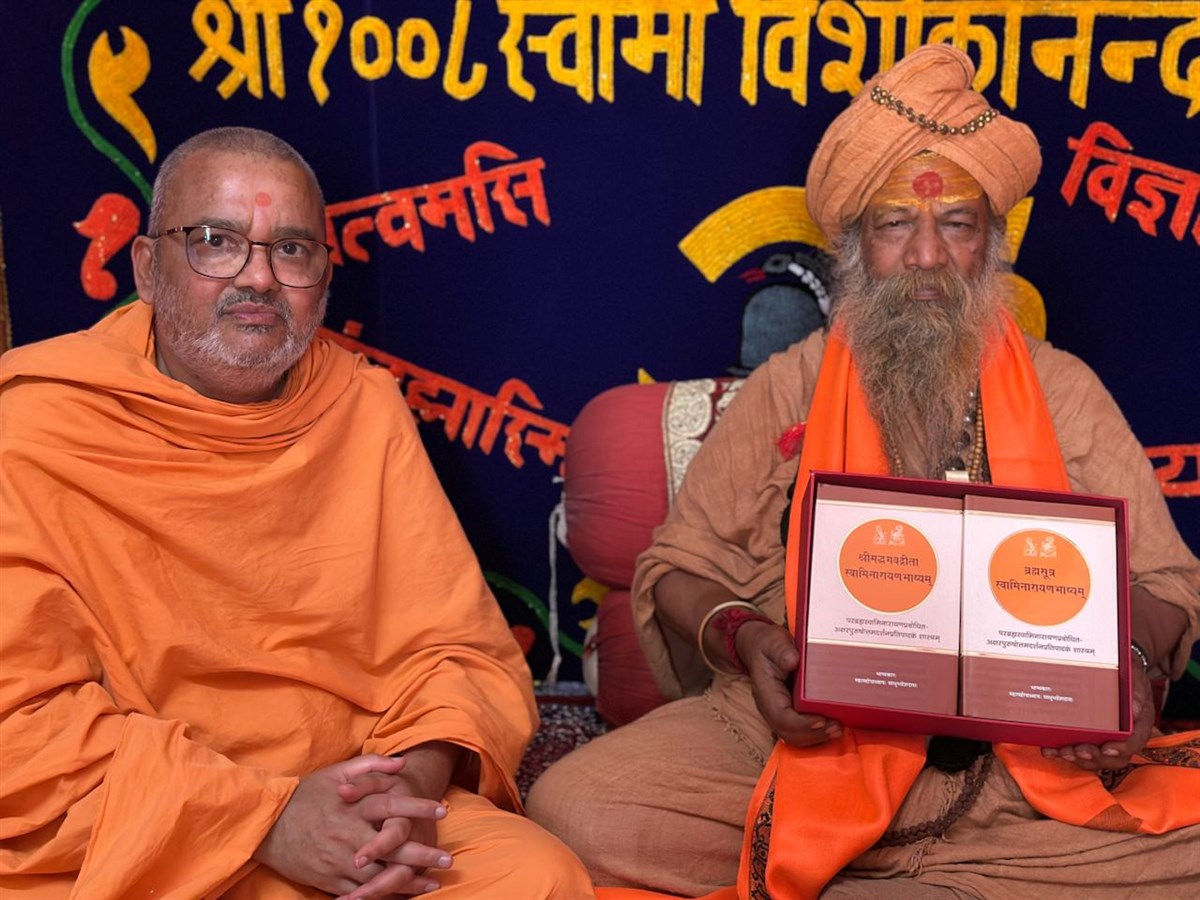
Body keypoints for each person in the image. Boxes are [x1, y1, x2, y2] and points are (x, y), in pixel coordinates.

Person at [527, 44, 1200, 898]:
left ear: (991, 243)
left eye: (956, 223)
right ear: (850, 245)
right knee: (577, 806)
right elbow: (680, 567)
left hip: (1022, 765)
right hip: (802, 744)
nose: (925, 256)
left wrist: (1130, 670)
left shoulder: (1061, 386)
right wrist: (754, 642)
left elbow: (1166, 582)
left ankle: (842, 869)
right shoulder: (790, 385)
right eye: (894, 225)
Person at [0, 126, 595, 899]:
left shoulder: (360, 406)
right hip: (151, 826)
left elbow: (458, 654)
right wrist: (267, 821)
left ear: (323, 275)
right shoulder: (37, 425)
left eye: (291, 249)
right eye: (216, 242)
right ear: (148, 268)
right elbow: (22, 732)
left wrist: (404, 797)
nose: (259, 279)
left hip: (356, 809)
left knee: (535, 877)